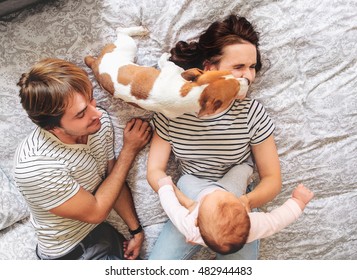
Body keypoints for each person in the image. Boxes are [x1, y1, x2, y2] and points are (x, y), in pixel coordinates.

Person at [147, 14, 281, 260]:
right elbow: (155, 170)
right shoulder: (172, 113)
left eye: (252, 67)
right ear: (210, 68)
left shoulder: (251, 112)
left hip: (236, 195)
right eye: (238, 67)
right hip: (191, 191)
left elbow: (272, 178)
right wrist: (187, 205)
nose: (248, 77)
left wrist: (244, 203)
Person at [14, 58, 152, 260]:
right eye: (80, 114)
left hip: (103, 234)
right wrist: (129, 150)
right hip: (70, 253)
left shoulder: (98, 123)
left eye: (91, 99)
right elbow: (97, 211)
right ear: (52, 127)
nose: (96, 113)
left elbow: (112, 180)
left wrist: (136, 230)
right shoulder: (34, 166)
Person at [157, 176, 314, 255]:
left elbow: (172, 207)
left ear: (196, 220)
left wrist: (165, 187)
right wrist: (297, 202)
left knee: (185, 180)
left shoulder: (190, 227)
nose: (217, 190)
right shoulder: (253, 226)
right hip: (230, 186)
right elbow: (277, 221)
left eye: (208, 199)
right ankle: (245, 169)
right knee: (242, 168)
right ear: (246, 211)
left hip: (196, 189)